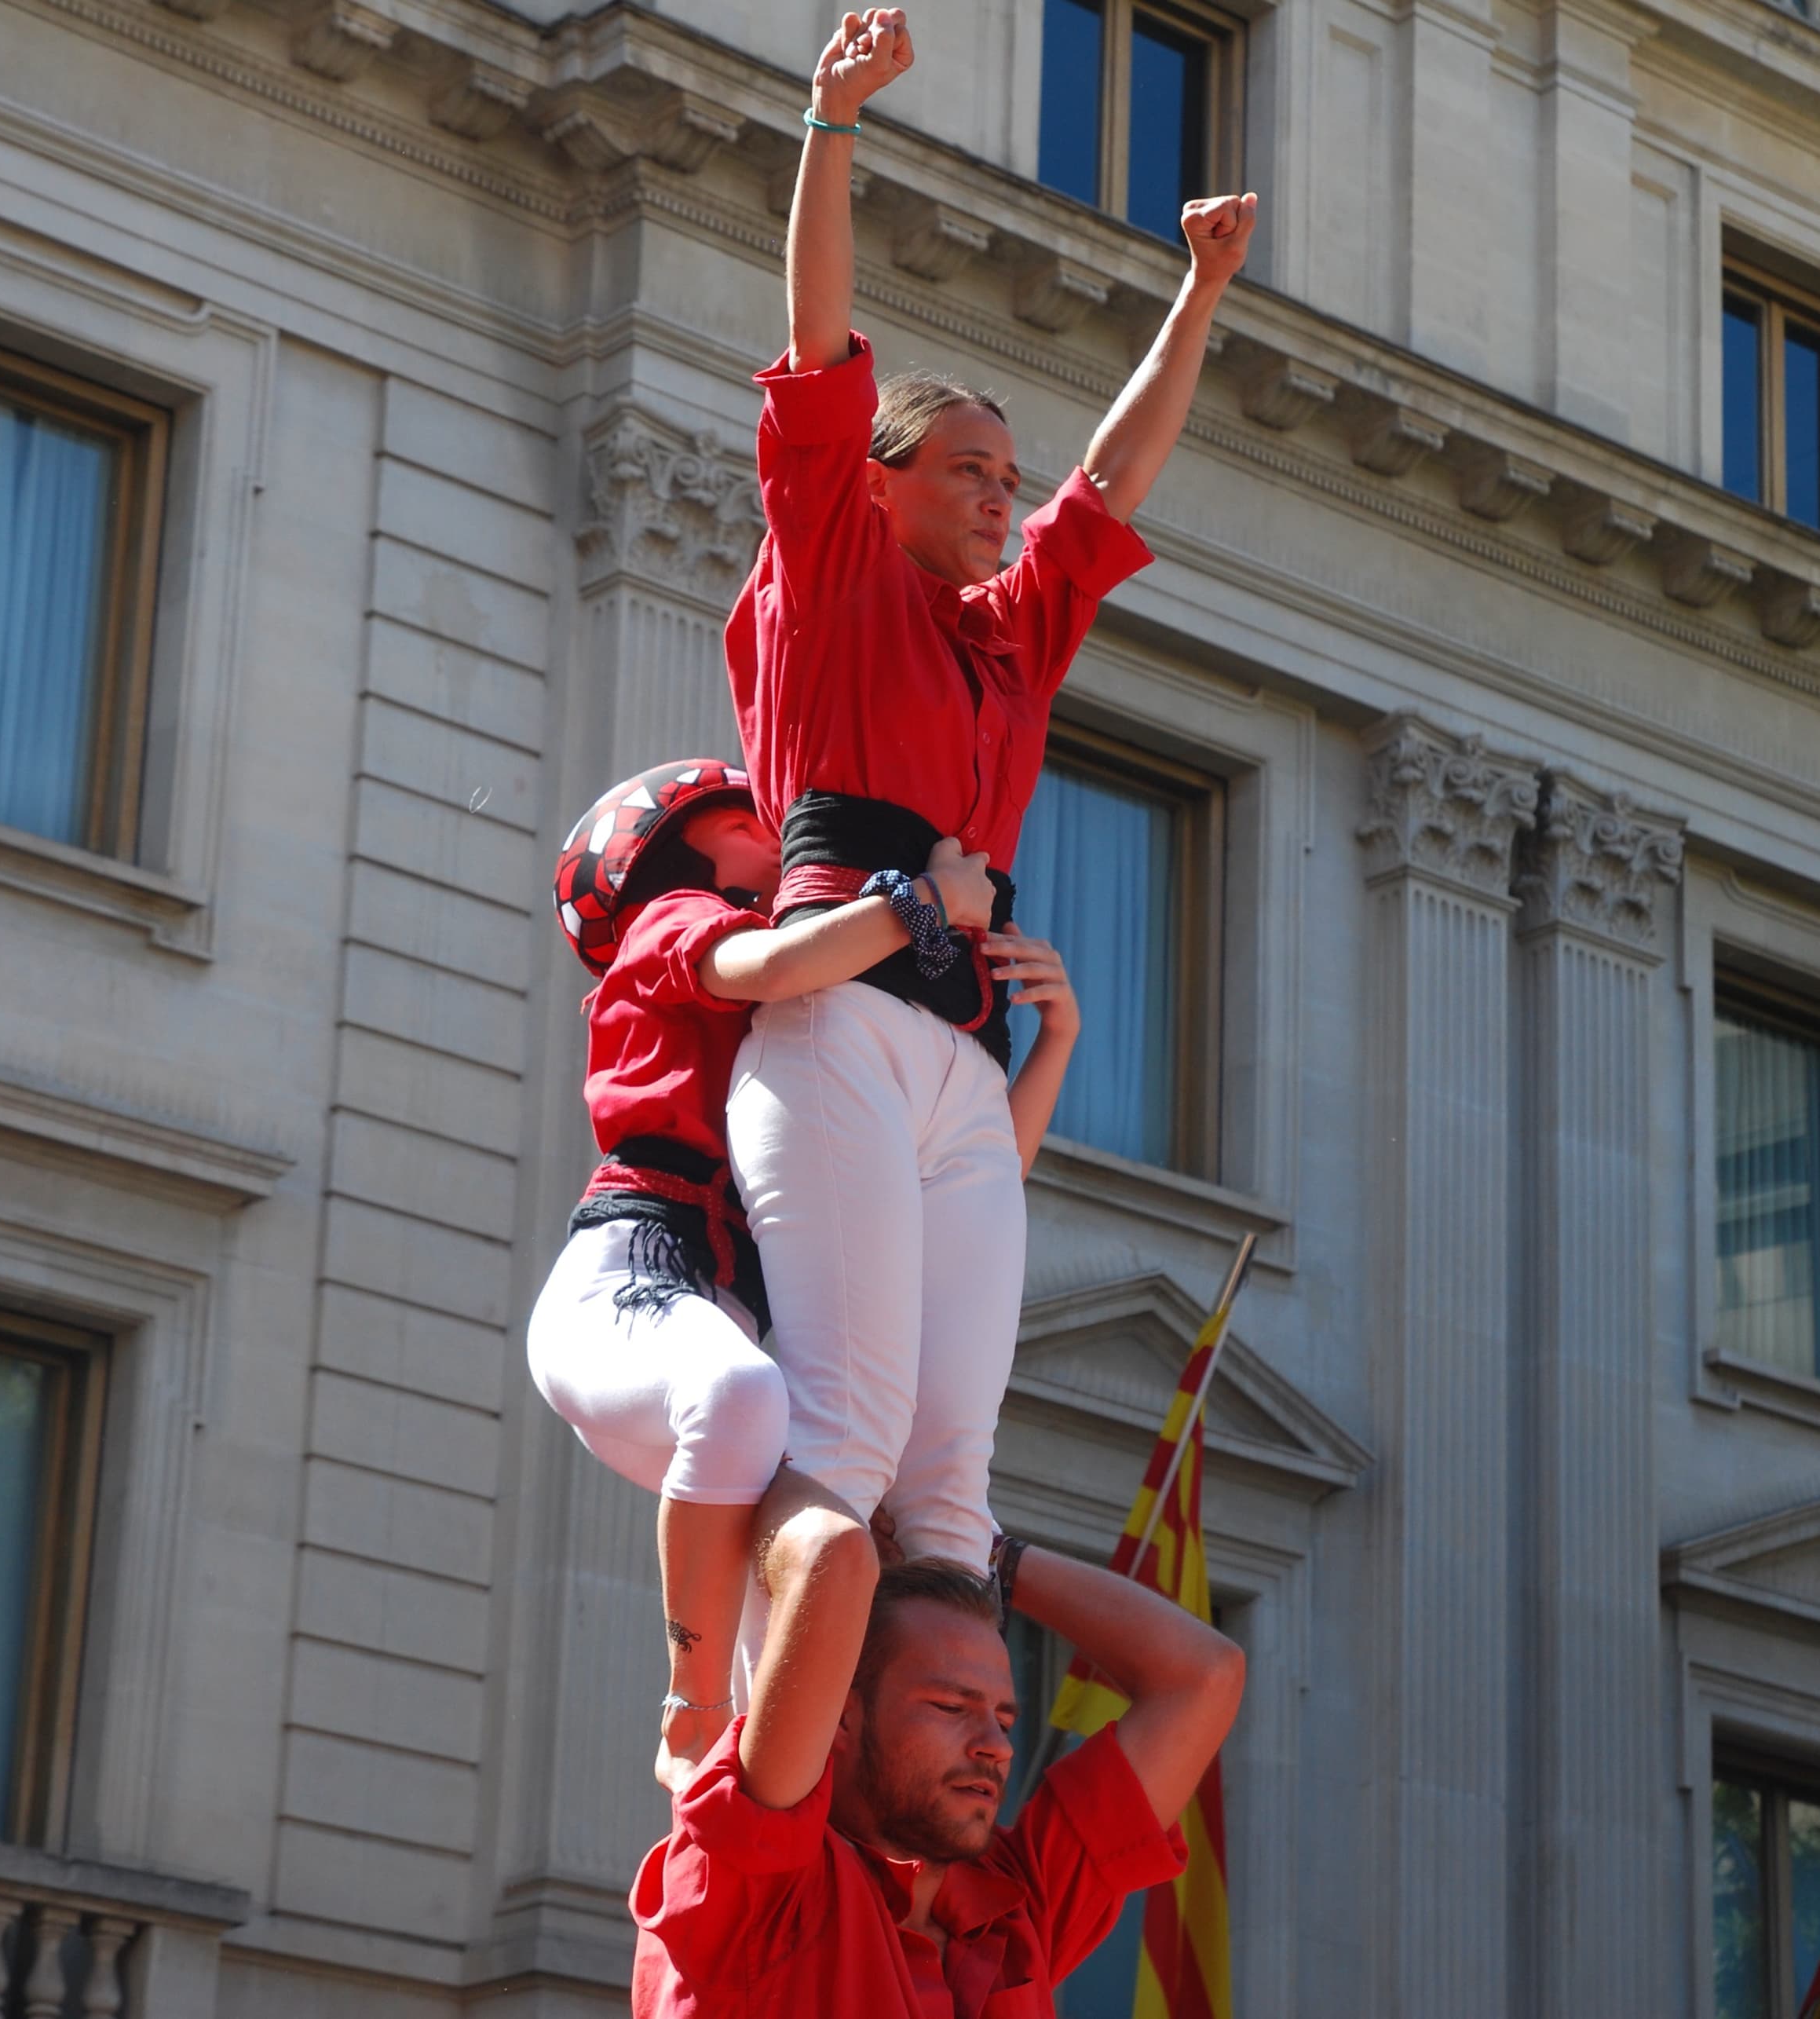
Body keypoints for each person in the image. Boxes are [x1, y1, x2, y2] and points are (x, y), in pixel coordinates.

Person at [724, 5, 1262, 1589]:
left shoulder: (1012, 632)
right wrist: (834, 123)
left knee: (954, 1473)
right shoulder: (829, 569)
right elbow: (819, 343)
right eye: (966, 471)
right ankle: (762, 1764)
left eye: (1004, 481)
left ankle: (919, 1789)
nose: (999, 497)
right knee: (849, 1424)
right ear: (876, 483)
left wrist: (1201, 291)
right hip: (845, 1000)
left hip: (967, 1050)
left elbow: (1117, 475)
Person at [527, 759, 1087, 1789]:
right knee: (750, 1405)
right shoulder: (676, 922)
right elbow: (779, 968)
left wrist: (1053, 1038)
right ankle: (694, 1714)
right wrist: (927, 905)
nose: (780, 827)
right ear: (679, 850)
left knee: (795, 1517)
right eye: (751, 815)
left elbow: (970, 1187)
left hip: (714, 1311)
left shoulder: (818, 994)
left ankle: (793, 1782)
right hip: (627, 1275)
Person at [629, 1473, 1246, 2017]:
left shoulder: (1012, 1910)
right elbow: (832, 1555)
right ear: (839, 1718)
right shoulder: (764, 1889)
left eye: (1005, 1719)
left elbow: (1204, 1676)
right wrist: (803, 1470)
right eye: (952, 1707)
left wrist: (994, 1556)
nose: (997, 1747)